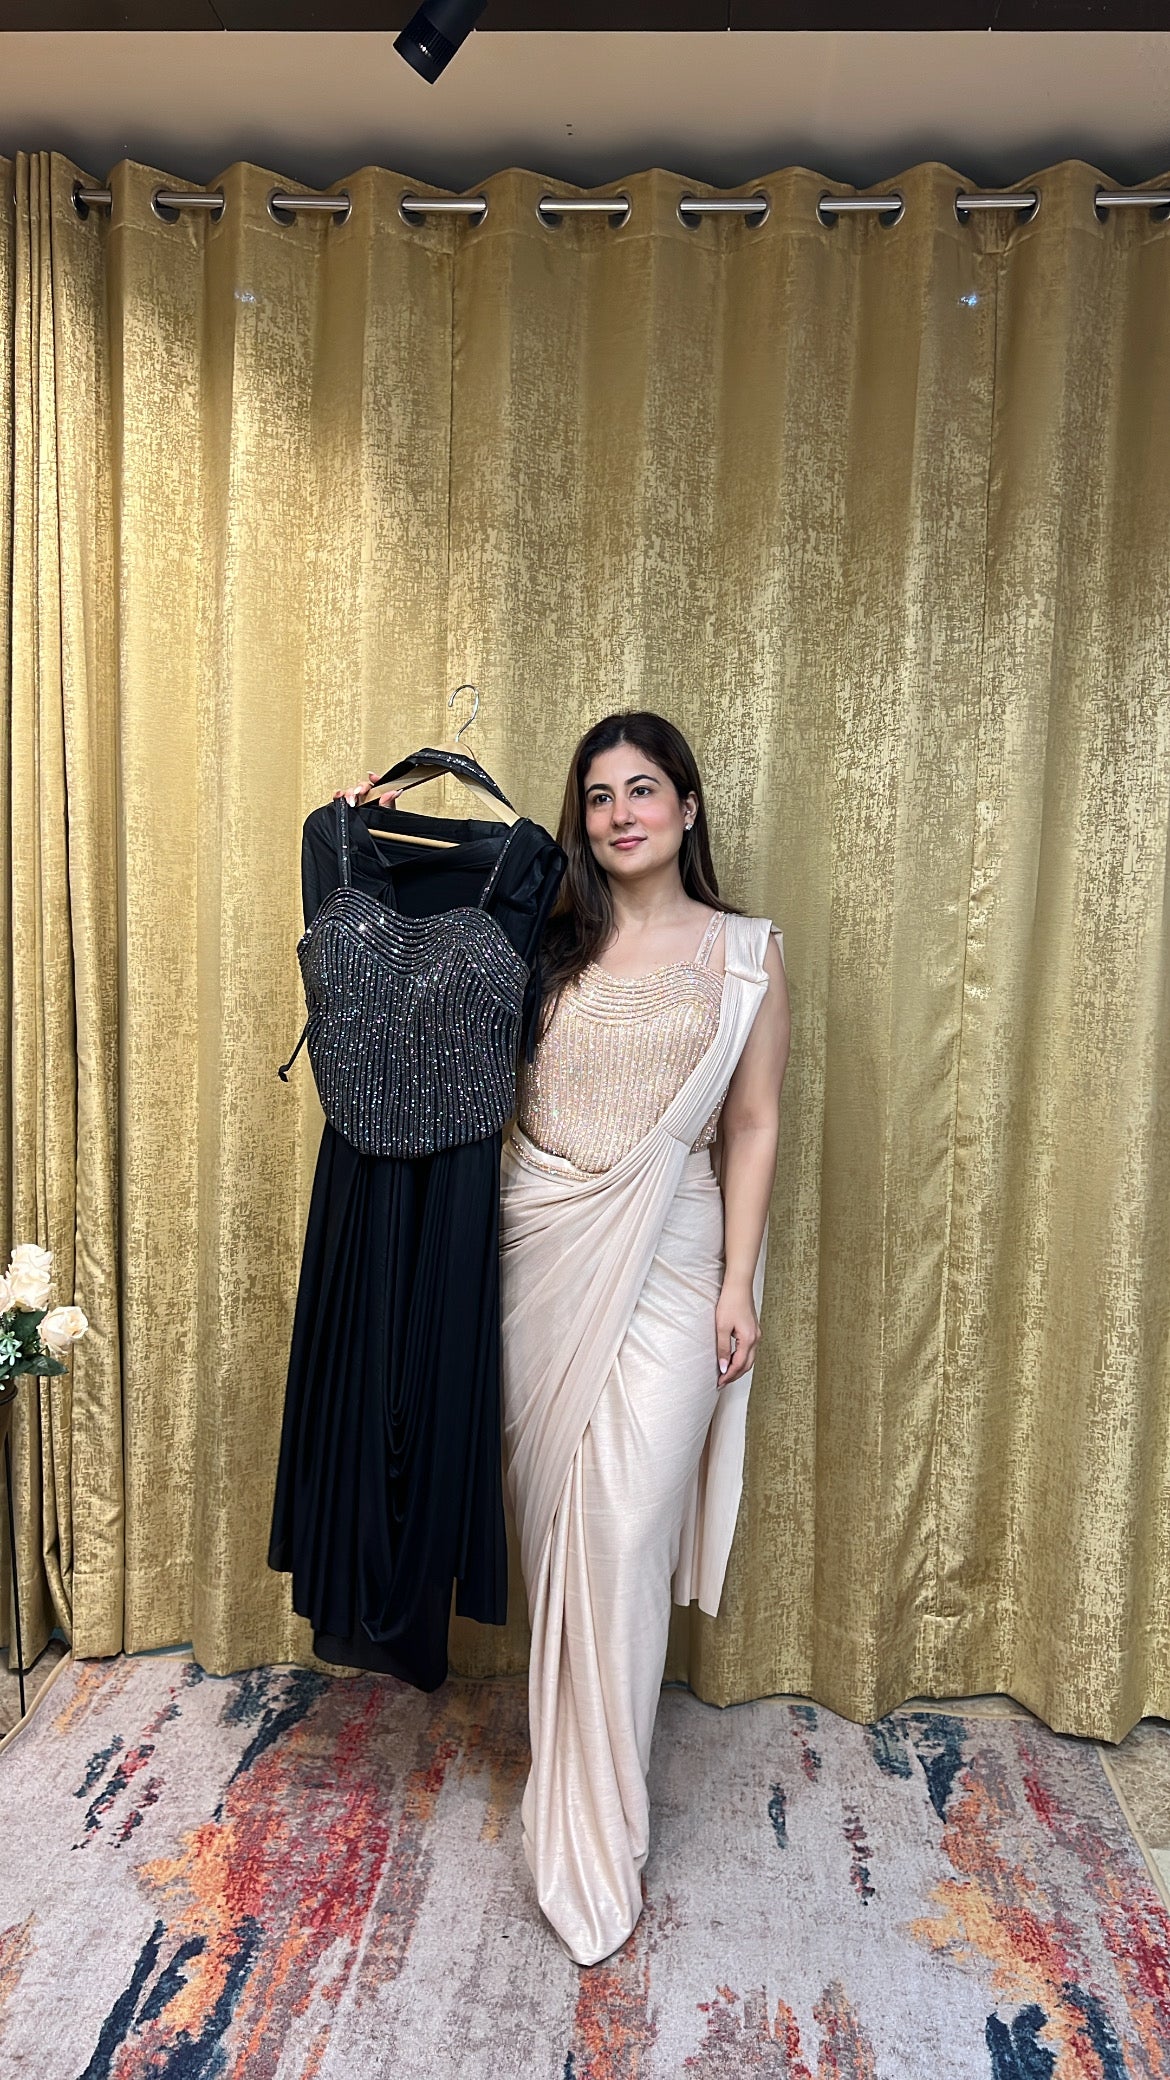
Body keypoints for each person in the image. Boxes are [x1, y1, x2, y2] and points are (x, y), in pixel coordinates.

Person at [340, 710, 789, 1966]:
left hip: (672, 1259)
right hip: (535, 1247)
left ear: (687, 808)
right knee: (557, 1533)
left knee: (626, 1533)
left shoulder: (746, 954)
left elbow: (752, 1124)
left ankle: (602, 1823)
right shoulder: (538, 933)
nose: (619, 814)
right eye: (598, 796)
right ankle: (573, 1775)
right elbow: (400, 978)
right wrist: (366, 838)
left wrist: (738, 1282)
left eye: (643, 790)